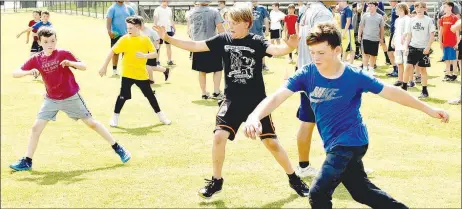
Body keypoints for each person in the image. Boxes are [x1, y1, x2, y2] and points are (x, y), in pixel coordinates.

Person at [243, 22, 449, 209]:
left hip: (351, 141)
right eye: (312, 52)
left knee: (318, 193)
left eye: (321, 53)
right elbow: (277, 97)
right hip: (334, 143)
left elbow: (392, 92)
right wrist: (254, 116)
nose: (315, 58)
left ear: (337, 50)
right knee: (362, 192)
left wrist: (428, 109)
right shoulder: (306, 74)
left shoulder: (354, 76)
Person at [153, 6, 311, 200]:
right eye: (229, 22)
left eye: (235, 22)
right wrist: (168, 38)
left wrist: (290, 47)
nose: (230, 26)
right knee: (219, 136)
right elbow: (195, 45)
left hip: (256, 103)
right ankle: (216, 181)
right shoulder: (223, 39)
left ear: (247, 23)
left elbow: (277, 50)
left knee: (271, 143)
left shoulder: (257, 41)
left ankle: (294, 179)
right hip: (232, 100)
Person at [9, 27, 132, 171]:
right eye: (46, 41)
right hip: (51, 100)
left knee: (91, 123)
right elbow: (15, 73)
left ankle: (118, 148)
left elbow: (83, 66)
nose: (50, 44)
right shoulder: (37, 59)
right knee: (36, 128)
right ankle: (27, 161)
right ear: (40, 42)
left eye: (53, 41)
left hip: (71, 97)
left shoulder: (63, 53)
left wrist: (71, 63)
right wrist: (29, 72)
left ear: (56, 40)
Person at [99, 16, 171, 127]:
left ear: (138, 27)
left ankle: (162, 117)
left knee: (150, 96)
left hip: (141, 74)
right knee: (122, 96)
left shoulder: (145, 39)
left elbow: (155, 53)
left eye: (131, 28)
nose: (128, 31)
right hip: (127, 74)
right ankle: (114, 118)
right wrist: (104, 67)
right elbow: (112, 52)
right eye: (127, 28)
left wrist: (144, 55)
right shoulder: (124, 39)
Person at [294, 0, 334, 178]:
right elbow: (324, 46)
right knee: (336, 121)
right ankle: (343, 165)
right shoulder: (322, 13)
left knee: (308, 119)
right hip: (320, 73)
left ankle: (303, 166)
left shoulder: (307, 10)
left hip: (306, 71)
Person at [188, 1, 225, 99]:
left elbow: (190, 30)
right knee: (217, 69)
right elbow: (220, 28)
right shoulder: (214, 11)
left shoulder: (192, 12)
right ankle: (216, 92)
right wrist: (225, 40)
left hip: (198, 45)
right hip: (212, 43)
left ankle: (204, 93)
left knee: (201, 70)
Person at [402, 2, 435, 99]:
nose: (419, 9)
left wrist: (428, 47)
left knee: (422, 69)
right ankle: (404, 88)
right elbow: (409, 35)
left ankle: (424, 91)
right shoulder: (412, 20)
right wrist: (406, 47)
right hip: (413, 47)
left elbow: (432, 36)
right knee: (408, 67)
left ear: (425, 9)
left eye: (421, 7)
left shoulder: (429, 20)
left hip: (423, 49)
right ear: (415, 9)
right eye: (417, 7)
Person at [106, 0, 135, 76]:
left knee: (126, 53)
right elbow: (108, 21)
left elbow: (134, 19)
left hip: (127, 34)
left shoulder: (129, 8)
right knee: (115, 52)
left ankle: (126, 69)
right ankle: (114, 70)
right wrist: (109, 31)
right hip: (116, 34)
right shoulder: (112, 8)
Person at [358, 1, 385, 76]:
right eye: (369, 6)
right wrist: (359, 35)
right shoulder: (365, 15)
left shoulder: (379, 17)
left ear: (376, 7)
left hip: (375, 39)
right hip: (366, 38)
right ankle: (365, 68)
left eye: (372, 6)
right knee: (365, 54)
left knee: (373, 55)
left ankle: (371, 69)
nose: (370, 7)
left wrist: (381, 38)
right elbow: (361, 26)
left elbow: (382, 28)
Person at [391, 3, 411, 87]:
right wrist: (393, 40)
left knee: (407, 63)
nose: (396, 11)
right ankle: (400, 79)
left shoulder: (407, 19)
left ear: (402, 10)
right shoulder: (397, 20)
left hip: (405, 43)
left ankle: (409, 80)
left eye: (397, 9)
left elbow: (408, 30)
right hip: (398, 43)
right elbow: (396, 31)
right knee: (399, 62)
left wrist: (404, 37)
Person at [439, 2, 460, 82]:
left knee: (453, 59)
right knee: (446, 59)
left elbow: (457, 31)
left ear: (450, 8)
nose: (444, 8)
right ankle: (447, 74)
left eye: (445, 7)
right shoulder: (442, 18)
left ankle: (454, 74)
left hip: (452, 43)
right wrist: (441, 42)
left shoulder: (454, 18)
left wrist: (457, 42)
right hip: (445, 43)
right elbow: (441, 31)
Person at [153, 0, 176, 66]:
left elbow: (171, 19)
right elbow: (155, 20)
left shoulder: (169, 9)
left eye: (166, 1)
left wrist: (174, 27)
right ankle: (157, 61)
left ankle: (169, 61)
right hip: (160, 30)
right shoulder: (157, 9)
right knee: (158, 46)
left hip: (168, 30)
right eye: (164, 1)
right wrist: (156, 29)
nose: (165, 2)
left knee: (168, 46)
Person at [250, 0, 270, 70]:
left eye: (255, 1)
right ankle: (252, 65)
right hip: (249, 33)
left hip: (259, 32)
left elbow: (266, 19)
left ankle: (263, 64)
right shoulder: (247, 8)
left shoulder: (262, 8)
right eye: (252, 1)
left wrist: (267, 30)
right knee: (250, 49)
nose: (253, 2)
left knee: (262, 49)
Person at [386, 1, 400, 78]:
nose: (390, 2)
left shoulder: (397, 8)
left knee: (392, 52)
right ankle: (395, 69)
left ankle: (397, 70)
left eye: (391, 1)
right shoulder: (393, 9)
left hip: (396, 33)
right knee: (391, 52)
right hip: (393, 33)